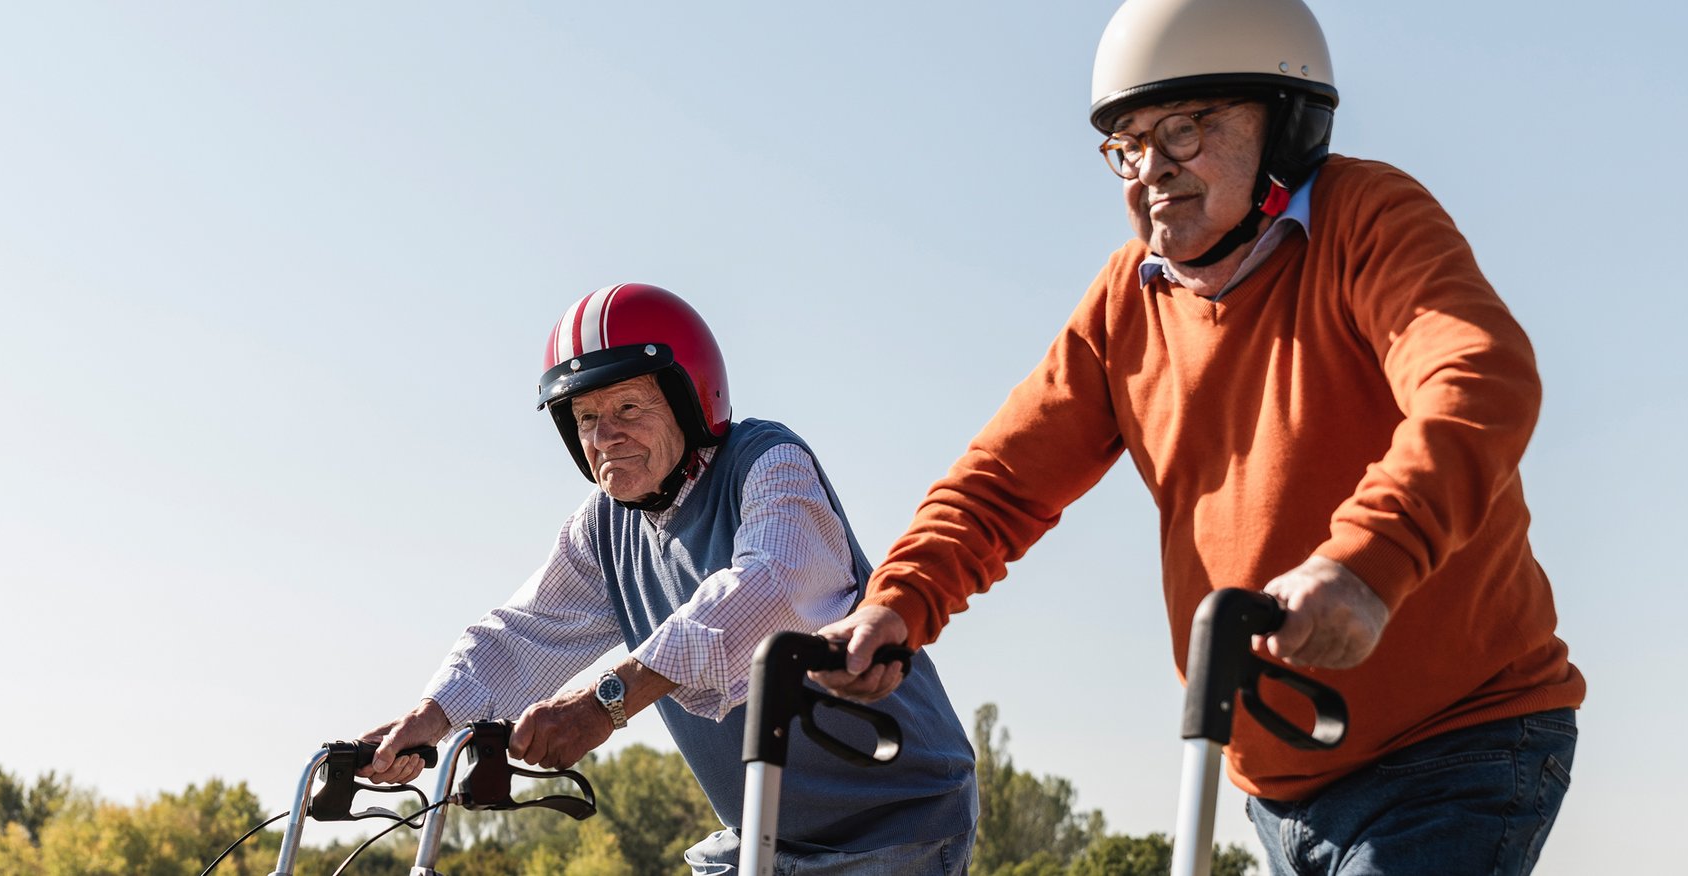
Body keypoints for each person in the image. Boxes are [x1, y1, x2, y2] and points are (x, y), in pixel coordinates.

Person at [811, 1, 1586, 873]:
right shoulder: (1126, 298)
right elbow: (1003, 481)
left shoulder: (1367, 217)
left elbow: (1476, 379)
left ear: (1287, 126)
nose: (1151, 169)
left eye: (1184, 130)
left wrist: (1368, 564)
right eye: (1128, 145)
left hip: (1454, 744)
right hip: (1272, 783)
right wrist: (898, 599)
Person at [359, 283, 978, 875]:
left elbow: (769, 591)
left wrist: (608, 700)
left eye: (628, 406)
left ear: (691, 399)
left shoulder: (766, 462)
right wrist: (431, 715)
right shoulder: (602, 528)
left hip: (890, 824)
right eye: (585, 417)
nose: (605, 437)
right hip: (761, 833)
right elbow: (524, 634)